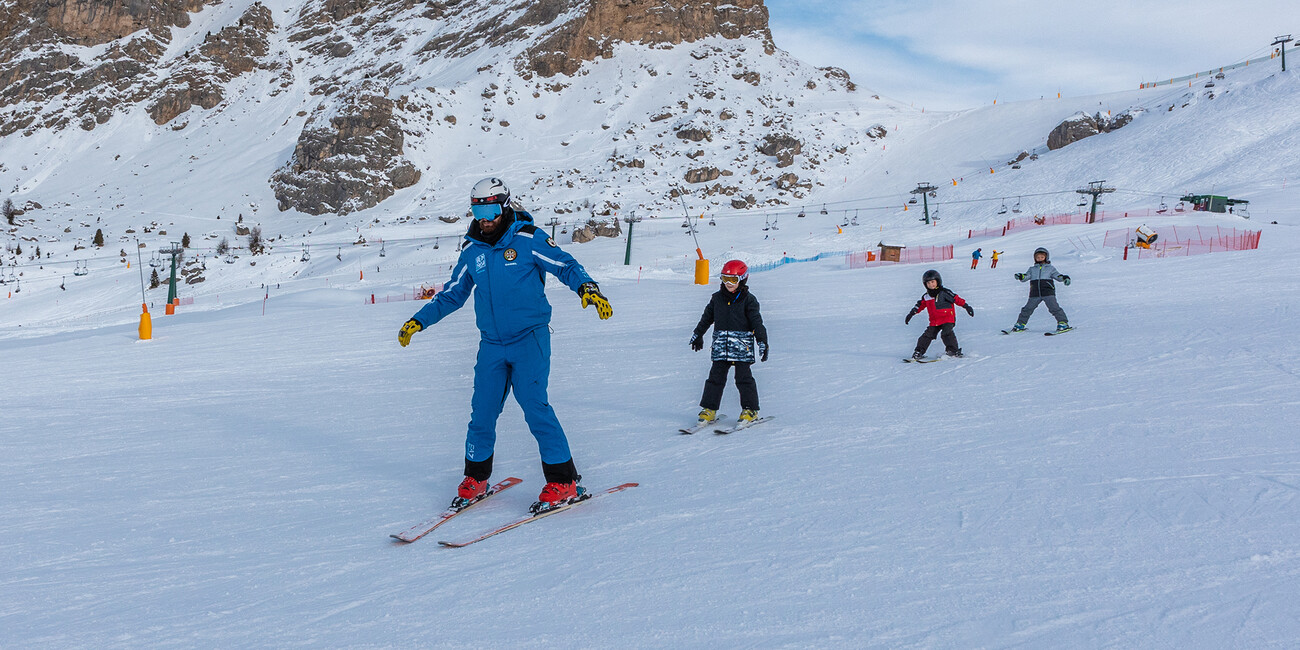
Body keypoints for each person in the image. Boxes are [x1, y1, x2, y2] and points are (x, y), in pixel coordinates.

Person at [397, 177, 613, 514]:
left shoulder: (528, 239)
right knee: (481, 414)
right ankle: (476, 478)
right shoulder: (472, 250)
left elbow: (566, 266)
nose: (484, 217)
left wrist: (588, 288)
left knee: (535, 407)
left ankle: (564, 480)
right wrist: (420, 320)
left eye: (491, 209)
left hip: (529, 340)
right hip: (492, 346)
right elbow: (453, 293)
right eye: (477, 209)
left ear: (505, 205)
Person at [690, 260, 768, 424]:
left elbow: (756, 322)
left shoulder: (748, 300)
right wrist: (698, 334)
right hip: (721, 346)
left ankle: (750, 410)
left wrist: (762, 341)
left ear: (743, 279)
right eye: (725, 279)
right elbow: (706, 318)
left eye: (733, 280)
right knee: (715, 378)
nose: (728, 283)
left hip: (741, 347)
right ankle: (709, 410)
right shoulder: (716, 298)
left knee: (743, 378)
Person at [906, 269, 973, 359]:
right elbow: (919, 305)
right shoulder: (926, 296)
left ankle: (953, 351)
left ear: (938, 281)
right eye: (928, 283)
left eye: (933, 282)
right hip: (935, 321)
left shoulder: (945, 292)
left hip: (947, 318)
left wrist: (966, 306)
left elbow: (956, 299)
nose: (931, 285)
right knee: (927, 335)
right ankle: (918, 352)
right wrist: (911, 314)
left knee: (946, 333)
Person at [1008, 247, 1070, 332]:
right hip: (1035, 293)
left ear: (1046, 257)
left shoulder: (1050, 268)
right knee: (1027, 309)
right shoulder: (1032, 269)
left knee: (1054, 308)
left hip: (1048, 292)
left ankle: (1063, 323)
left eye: (1042, 257)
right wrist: (1021, 276)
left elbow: (1057, 276)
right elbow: (1026, 277)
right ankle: (1020, 324)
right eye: (1037, 257)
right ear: (1035, 258)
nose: (1039, 259)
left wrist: (1064, 278)